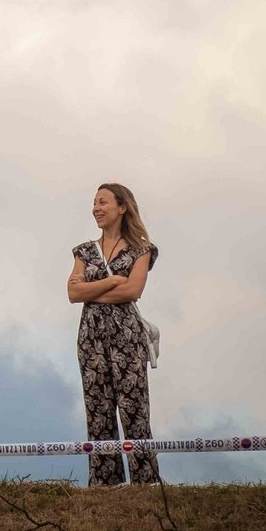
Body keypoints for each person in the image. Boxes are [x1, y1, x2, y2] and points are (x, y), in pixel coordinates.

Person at [67, 181, 160, 486]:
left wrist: (91, 291)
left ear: (122, 207)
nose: (96, 208)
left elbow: (133, 290)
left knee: (134, 409)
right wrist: (111, 283)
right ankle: (105, 484)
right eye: (94, 202)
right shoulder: (84, 251)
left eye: (103, 202)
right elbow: (72, 292)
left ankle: (145, 483)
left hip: (127, 339)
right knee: (98, 411)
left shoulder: (141, 249)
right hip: (90, 339)